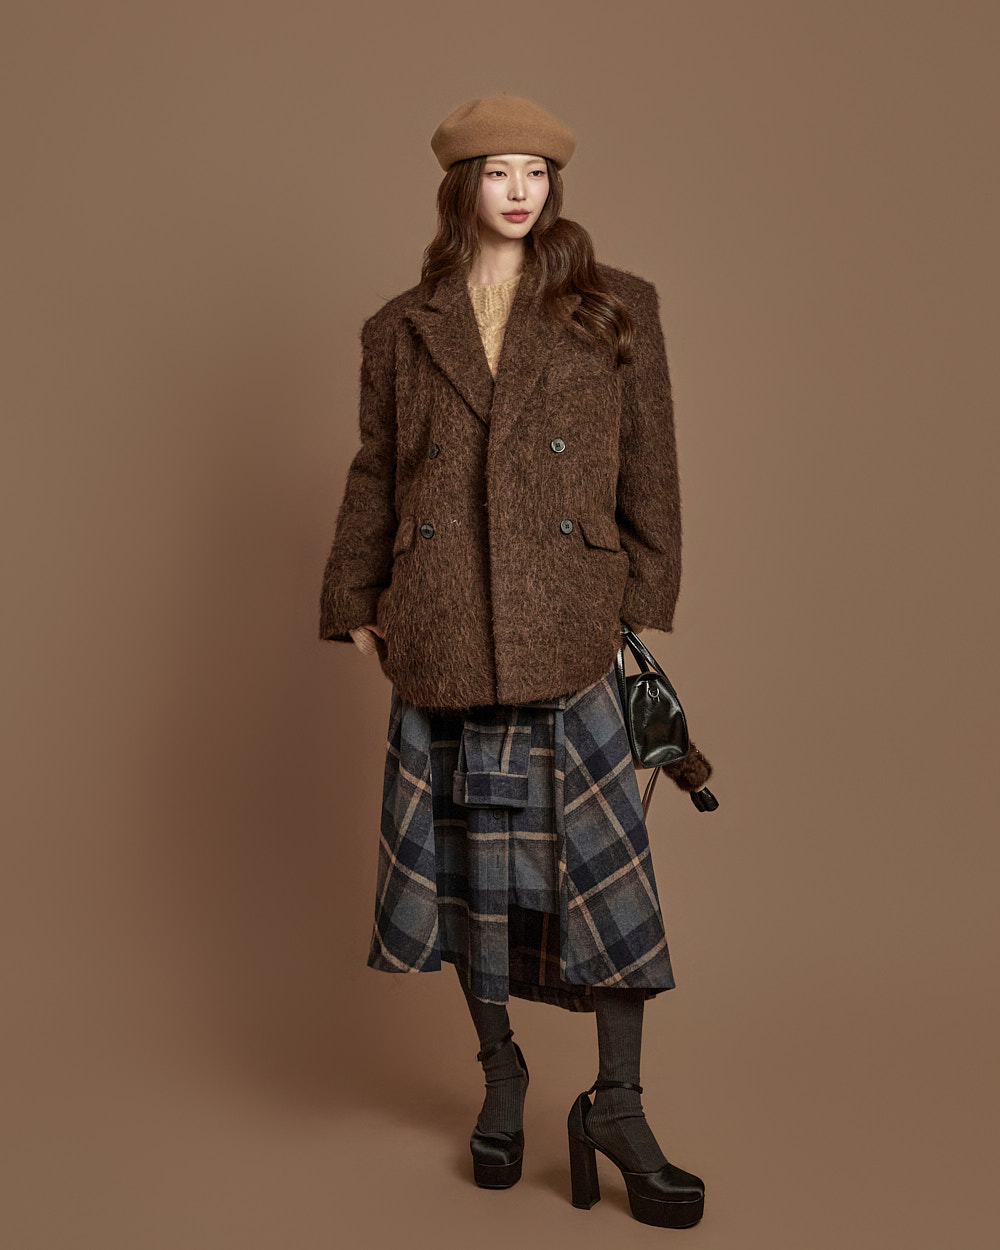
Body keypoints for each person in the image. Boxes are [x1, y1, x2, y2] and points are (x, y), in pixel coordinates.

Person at [318, 93, 709, 1229]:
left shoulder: (615, 305)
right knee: (465, 877)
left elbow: (652, 464)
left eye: (537, 171)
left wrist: (632, 598)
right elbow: (378, 471)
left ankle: (618, 1106)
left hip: (569, 627)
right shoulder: (400, 326)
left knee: (611, 885)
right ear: (462, 188)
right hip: (441, 624)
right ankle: (501, 1077)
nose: (521, 190)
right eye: (498, 171)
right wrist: (354, 596)